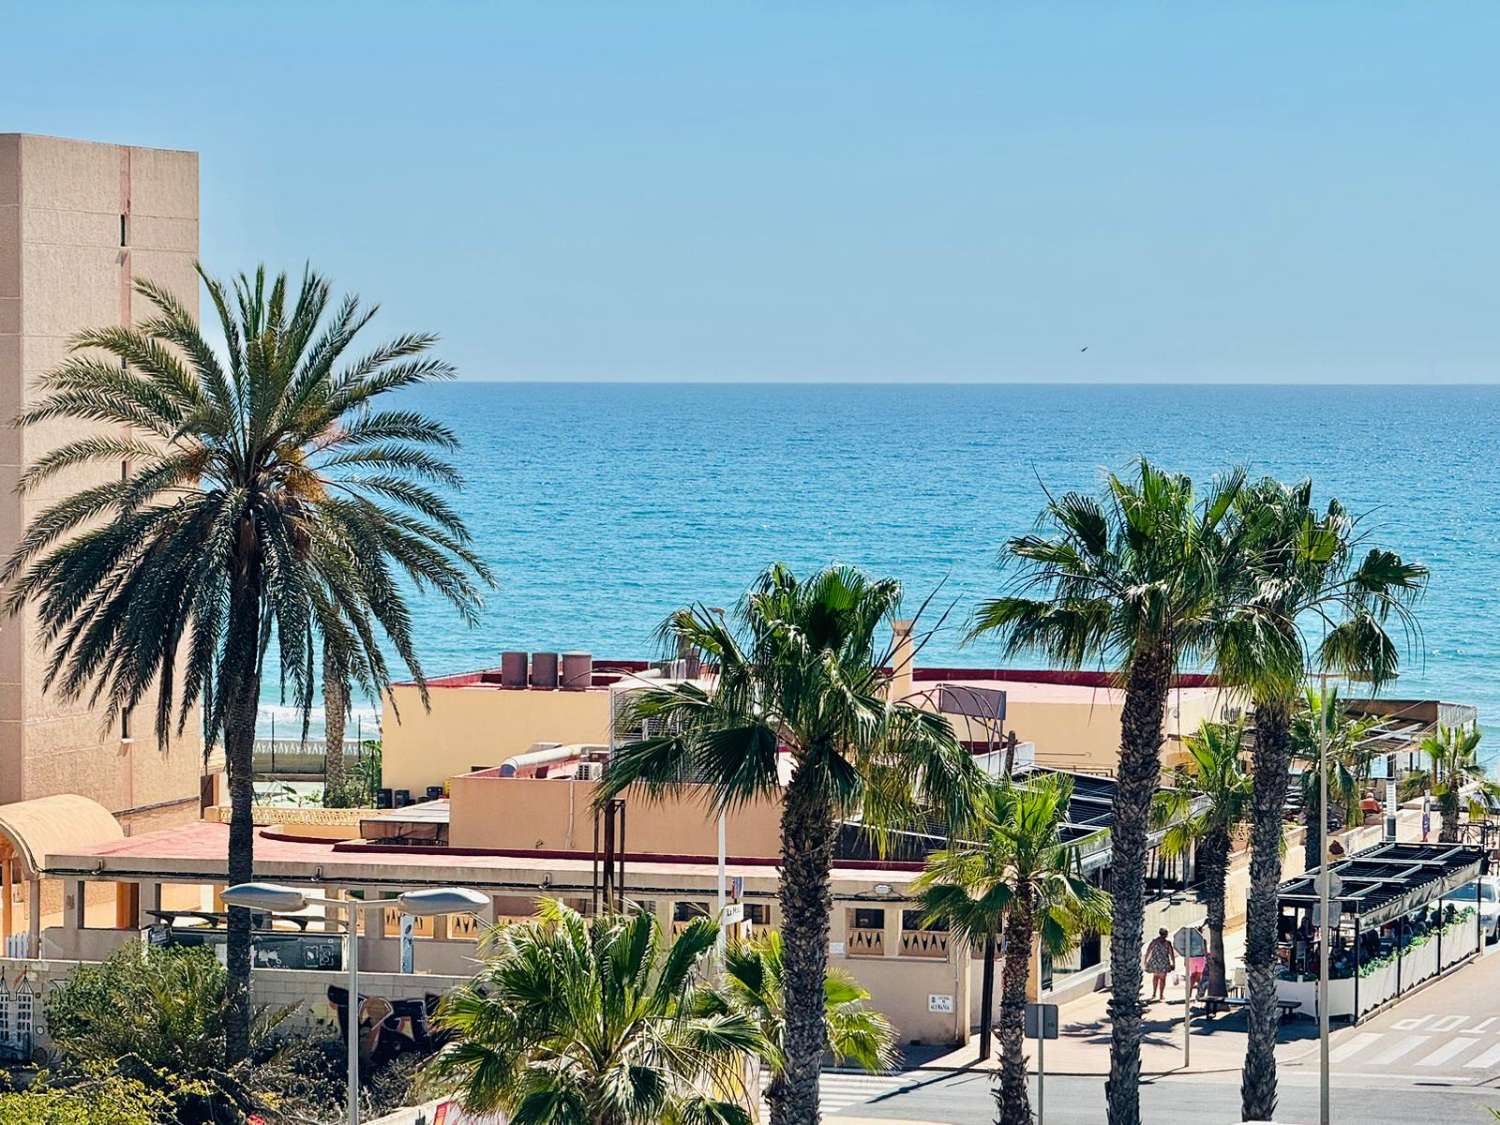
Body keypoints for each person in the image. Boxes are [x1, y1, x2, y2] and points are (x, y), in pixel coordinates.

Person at [1144, 927, 1176, 1002]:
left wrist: (1146, 960)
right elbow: (1172, 954)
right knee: (1162, 979)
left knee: (1155, 977)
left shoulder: (1154, 941)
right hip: (1164, 963)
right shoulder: (1167, 943)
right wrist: (1173, 963)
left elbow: (1148, 950)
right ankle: (1161, 995)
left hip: (1155, 962)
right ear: (1166, 934)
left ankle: (1154, 994)